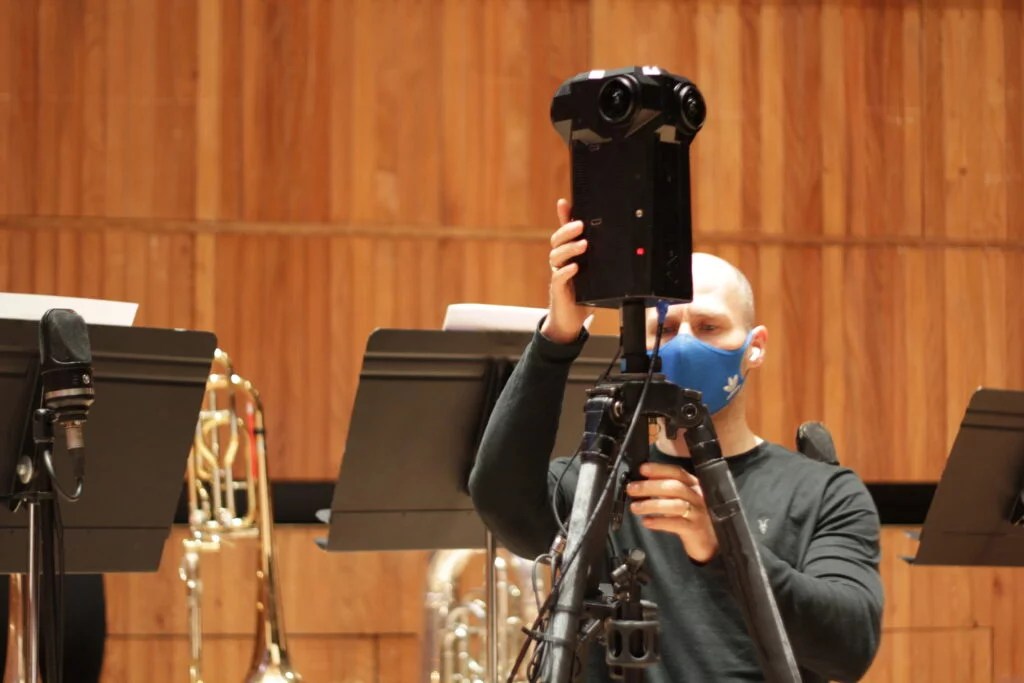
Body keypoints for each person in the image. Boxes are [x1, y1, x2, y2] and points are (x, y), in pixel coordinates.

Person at [468, 199, 884, 682]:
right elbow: (499, 498)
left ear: (755, 348)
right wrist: (558, 336)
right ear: (636, 350)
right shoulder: (597, 485)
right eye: (664, 329)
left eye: (709, 327)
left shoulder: (825, 493)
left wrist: (723, 544)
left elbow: (850, 647)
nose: (685, 343)